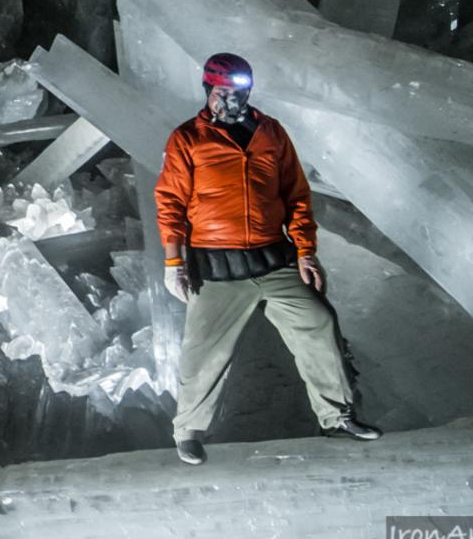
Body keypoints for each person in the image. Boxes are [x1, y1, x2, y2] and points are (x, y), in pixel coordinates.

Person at [155, 52, 381, 466]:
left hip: (273, 260)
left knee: (319, 322)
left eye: (240, 92)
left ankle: (336, 417)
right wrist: (174, 263)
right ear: (208, 91)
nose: (233, 101)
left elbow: (296, 195)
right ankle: (187, 432)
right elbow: (170, 203)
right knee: (202, 351)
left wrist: (306, 252)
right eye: (224, 92)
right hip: (216, 268)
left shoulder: (270, 133)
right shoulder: (188, 139)